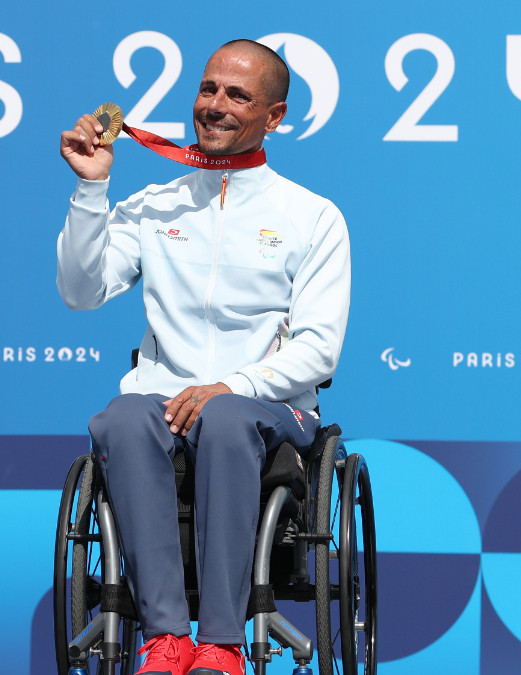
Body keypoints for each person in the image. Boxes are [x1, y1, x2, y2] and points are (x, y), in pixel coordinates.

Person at [56, 39, 350, 675]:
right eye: (209, 89)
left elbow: (318, 347)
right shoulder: (156, 205)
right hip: (162, 403)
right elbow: (81, 292)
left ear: (274, 117)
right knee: (124, 416)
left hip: (271, 408)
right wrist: (92, 190)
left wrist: (233, 385)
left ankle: (220, 643)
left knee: (224, 417)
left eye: (238, 95)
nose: (215, 106)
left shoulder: (312, 216)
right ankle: (164, 640)